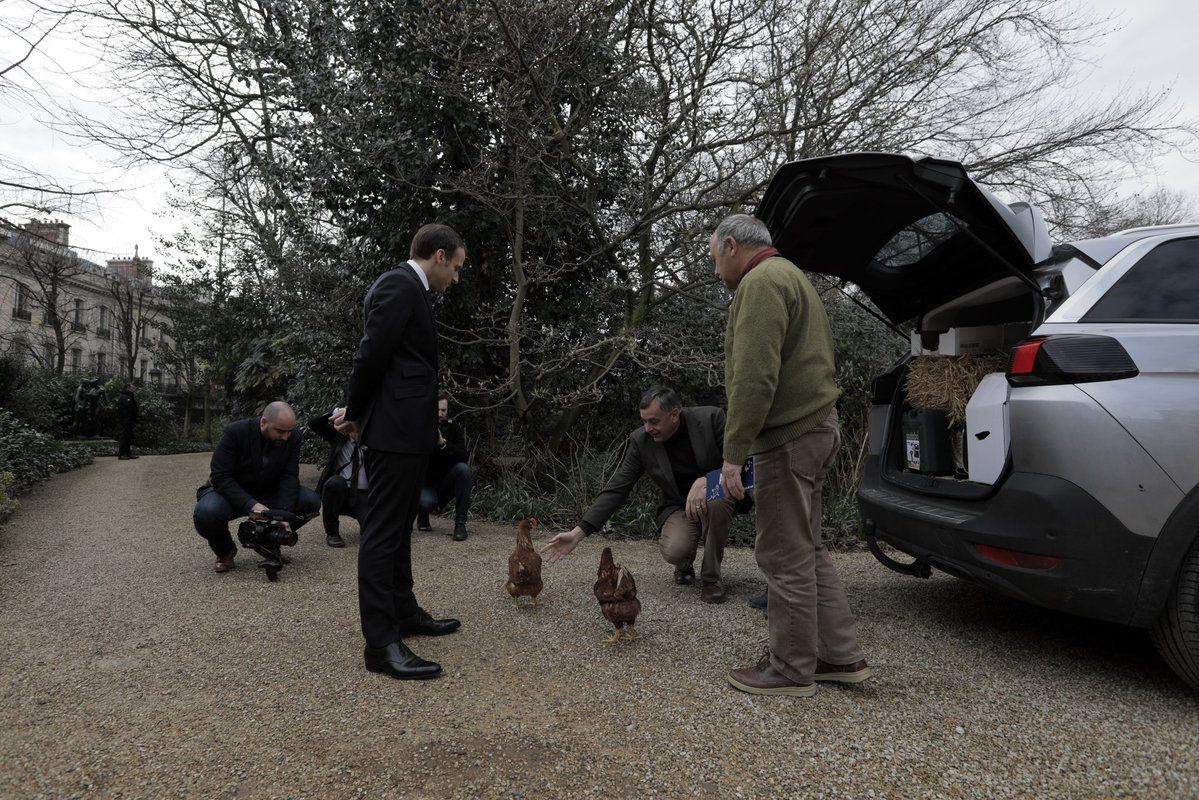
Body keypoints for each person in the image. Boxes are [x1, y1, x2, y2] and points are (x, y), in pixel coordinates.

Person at [711, 213, 871, 696]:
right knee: (807, 547)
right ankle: (837, 657)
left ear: (732, 246)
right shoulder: (793, 276)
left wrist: (734, 454)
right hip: (819, 427)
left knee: (782, 554)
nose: (716, 270)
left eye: (714, 258)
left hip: (790, 437)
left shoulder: (760, 283)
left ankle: (790, 667)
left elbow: (754, 378)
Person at [335, 223, 466, 681]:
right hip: (392, 431)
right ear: (440, 256)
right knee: (381, 534)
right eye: (457, 267)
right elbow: (371, 355)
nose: (457, 278)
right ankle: (381, 644)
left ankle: (404, 612)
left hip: (405, 430)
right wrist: (354, 411)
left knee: (398, 528)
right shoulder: (398, 284)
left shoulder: (412, 289)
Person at [540, 386, 739, 604]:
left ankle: (711, 579)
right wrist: (578, 533)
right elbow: (618, 487)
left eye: (654, 421)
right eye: (644, 421)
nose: (647, 428)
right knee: (674, 550)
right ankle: (684, 565)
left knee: (717, 499)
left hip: (716, 494)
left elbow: (741, 461)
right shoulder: (641, 441)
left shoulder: (712, 418)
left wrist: (707, 481)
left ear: (675, 414)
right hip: (679, 506)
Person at [192, 401, 321, 573]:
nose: (286, 437)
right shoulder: (235, 432)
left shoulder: (294, 436)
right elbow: (220, 477)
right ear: (264, 422)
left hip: (268, 492)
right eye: (280, 431)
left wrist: (283, 513)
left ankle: (269, 542)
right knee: (207, 512)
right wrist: (251, 505)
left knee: (311, 501)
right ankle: (225, 552)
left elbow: (289, 476)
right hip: (230, 494)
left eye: (289, 431)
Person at [416, 394, 472, 541]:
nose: (440, 414)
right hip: (425, 484)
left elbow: (463, 456)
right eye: (437, 410)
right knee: (426, 503)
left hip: (445, 482)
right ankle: (422, 515)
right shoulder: (419, 427)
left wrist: (443, 444)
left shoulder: (453, 427)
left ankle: (460, 524)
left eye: (443, 410)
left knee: (464, 470)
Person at [308, 406, 366, 549]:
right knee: (335, 483)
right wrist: (338, 411)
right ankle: (332, 532)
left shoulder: (374, 440)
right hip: (342, 492)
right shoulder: (338, 437)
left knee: (371, 531)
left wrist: (361, 439)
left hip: (366, 494)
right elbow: (314, 423)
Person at [116, 383, 140, 460]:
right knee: (124, 437)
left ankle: (127, 453)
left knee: (128, 437)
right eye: (133, 387)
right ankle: (122, 454)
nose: (134, 388)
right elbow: (130, 408)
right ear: (128, 388)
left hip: (129, 420)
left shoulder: (129, 396)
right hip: (126, 420)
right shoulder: (125, 397)